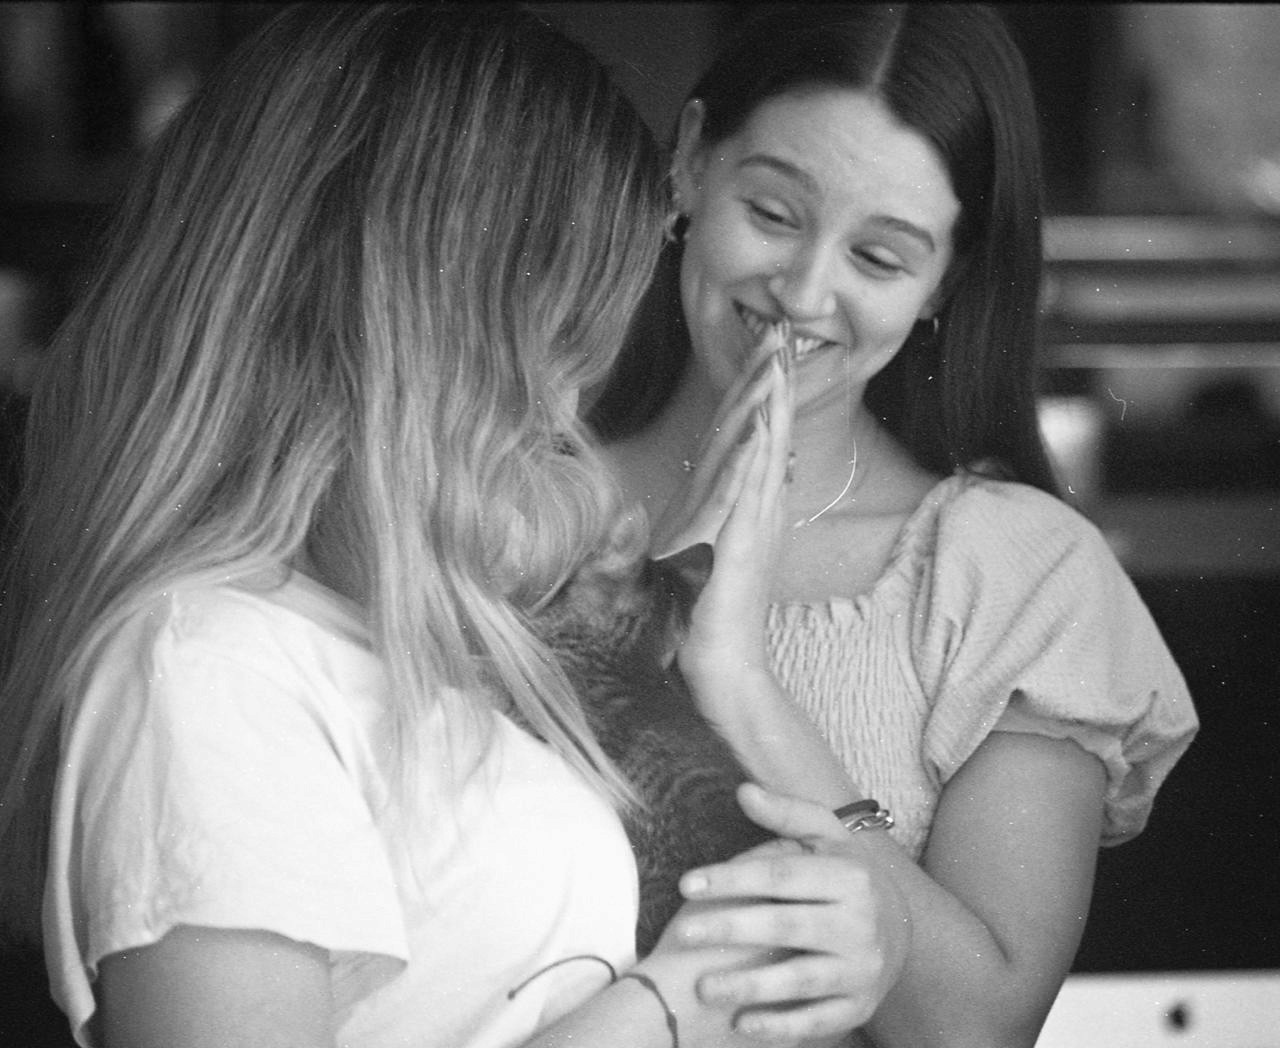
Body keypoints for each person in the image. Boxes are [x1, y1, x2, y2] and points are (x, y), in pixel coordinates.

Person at [0, 6, 903, 1047]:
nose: (564, 398)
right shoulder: (202, 664)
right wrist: (679, 1004)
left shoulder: (386, 627)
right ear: (430, 318)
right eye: (555, 336)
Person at [588, 5, 1199, 1047]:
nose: (805, 290)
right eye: (774, 214)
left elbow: (976, 1029)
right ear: (689, 164)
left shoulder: (1012, 573)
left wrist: (739, 680)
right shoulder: (503, 489)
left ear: (943, 284)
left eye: (877, 257)